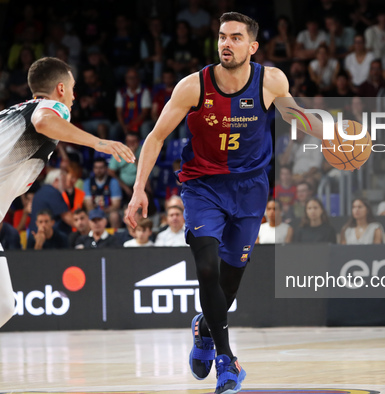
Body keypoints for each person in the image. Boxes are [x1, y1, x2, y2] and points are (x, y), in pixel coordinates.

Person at [125, 13, 325, 392]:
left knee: (229, 282)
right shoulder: (192, 86)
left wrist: (331, 133)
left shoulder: (271, 80)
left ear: (252, 47)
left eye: (235, 37)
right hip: (203, 187)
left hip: (250, 190)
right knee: (206, 268)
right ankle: (227, 360)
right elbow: (154, 138)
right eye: (221, 37)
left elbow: (297, 119)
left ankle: (203, 328)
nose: (225, 44)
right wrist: (139, 189)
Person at [0, 57, 134, 343]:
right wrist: (99, 143)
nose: (75, 97)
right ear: (62, 89)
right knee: (2, 305)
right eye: (74, 89)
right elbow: (44, 122)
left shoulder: (2, 116)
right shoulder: (51, 108)